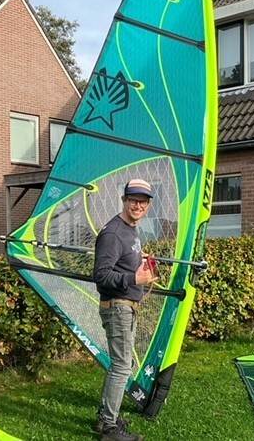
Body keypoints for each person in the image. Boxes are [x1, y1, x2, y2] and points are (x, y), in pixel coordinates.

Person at [93, 178, 158, 441]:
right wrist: (134, 278)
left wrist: (139, 261)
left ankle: (106, 418)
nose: (138, 205)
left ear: (148, 205)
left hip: (126, 306)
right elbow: (101, 276)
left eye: (143, 202)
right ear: (124, 200)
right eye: (133, 200)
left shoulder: (130, 230)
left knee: (122, 364)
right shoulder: (113, 233)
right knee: (121, 366)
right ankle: (109, 428)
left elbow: (121, 262)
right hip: (117, 306)